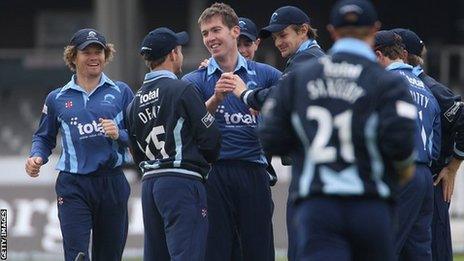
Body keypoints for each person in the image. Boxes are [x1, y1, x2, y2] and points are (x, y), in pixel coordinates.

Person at [259, 0, 417, 260]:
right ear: (374, 29)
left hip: (319, 205)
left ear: (332, 31)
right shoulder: (389, 83)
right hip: (370, 203)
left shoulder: (299, 78)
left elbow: (271, 138)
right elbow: (401, 146)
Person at [182, 3, 281, 260]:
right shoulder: (194, 80)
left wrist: (260, 104)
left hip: (253, 170)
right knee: (216, 251)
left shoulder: (267, 75)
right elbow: (188, 129)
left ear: (235, 31)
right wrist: (215, 99)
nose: (210, 38)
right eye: (205, 33)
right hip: (213, 173)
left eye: (216, 30)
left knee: (258, 251)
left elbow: (293, 107)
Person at [25, 28, 134, 261]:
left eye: (99, 52)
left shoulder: (121, 92)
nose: (94, 57)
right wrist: (36, 157)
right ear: (73, 57)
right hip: (73, 185)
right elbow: (43, 137)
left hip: (112, 182)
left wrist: (120, 135)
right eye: (87, 52)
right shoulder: (57, 98)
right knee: (77, 256)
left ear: (106, 56)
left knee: (110, 257)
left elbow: (140, 135)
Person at [125, 27, 221, 261]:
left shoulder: (133, 103)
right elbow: (211, 140)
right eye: (179, 49)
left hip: (150, 184)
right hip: (182, 181)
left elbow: (135, 154)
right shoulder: (182, 89)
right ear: (173, 54)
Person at [393, 28, 464, 261]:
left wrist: (453, 167)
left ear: (401, 54)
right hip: (422, 181)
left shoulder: (430, 88)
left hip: (432, 182)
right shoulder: (417, 85)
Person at [374, 30, 441, 260]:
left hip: (396, 171)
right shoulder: (425, 89)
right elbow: (434, 147)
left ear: (378, 56)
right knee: (418, 251)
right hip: (423, 176)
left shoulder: (382, 83)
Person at [235, 5, 325, 111]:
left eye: (283, 35)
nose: (277, 43)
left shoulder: (307, 58)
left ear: (303, 30)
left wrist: (246, 94)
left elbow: (280, 94)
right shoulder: (312, 55)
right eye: (275, 38)